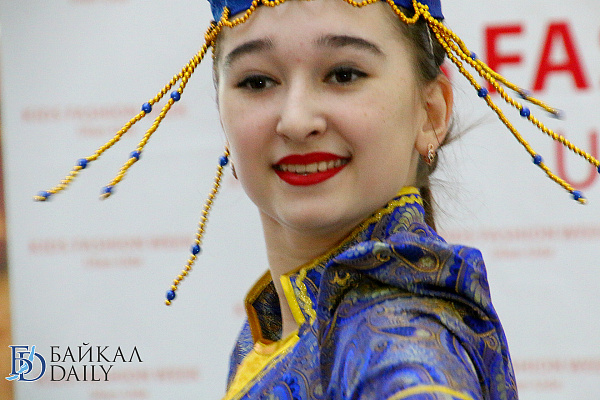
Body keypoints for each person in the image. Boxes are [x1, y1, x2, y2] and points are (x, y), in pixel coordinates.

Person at [34, 0, 599, 398]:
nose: (296, 119)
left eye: (344, 74)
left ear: (431, 112)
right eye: (257, 81)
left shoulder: (401, 354)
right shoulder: (277, 321)